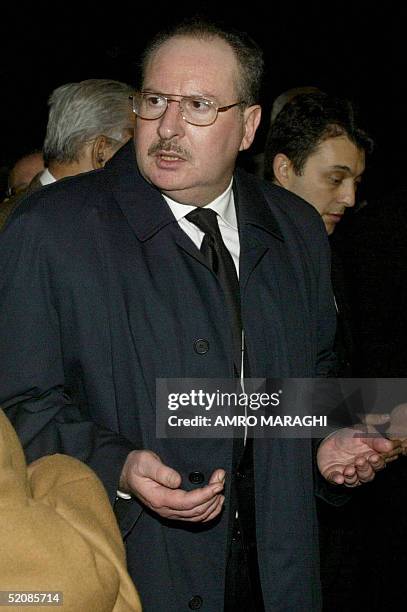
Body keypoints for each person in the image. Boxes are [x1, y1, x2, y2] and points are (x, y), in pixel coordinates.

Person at [0, 20, 396, 612]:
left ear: (249, 126)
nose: (168, 127)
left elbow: (310, 379)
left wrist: (326, 442)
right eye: (156, 100)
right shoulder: (51, 229)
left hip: (277, 574)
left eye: (199, 105)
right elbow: (19, 404)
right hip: (132, 570)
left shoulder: (296, 230)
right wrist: (119, 466)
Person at [264, 92, 373, 375]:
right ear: (284, 169)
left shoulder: (329, 253)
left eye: (356, 182)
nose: (350, 198)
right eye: (335, 179)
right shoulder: (244, 259)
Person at [0, 79, 134, 231]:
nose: (140, 158)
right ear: (101, 152)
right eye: (132, 147)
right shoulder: (10, 226)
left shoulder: (115, 218)